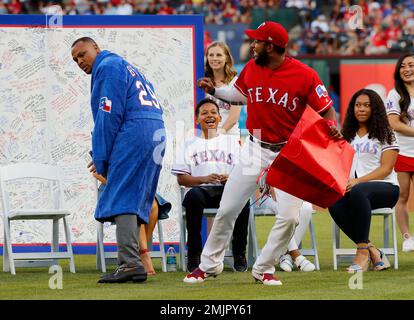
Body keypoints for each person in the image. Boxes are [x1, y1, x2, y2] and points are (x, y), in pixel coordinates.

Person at [184, 21, 340, 285]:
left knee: (290, 216)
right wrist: (214, 91)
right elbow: (236, 95)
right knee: (228, 208)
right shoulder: (252, 69)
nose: (252, 45)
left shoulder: (304, 74)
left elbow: (326, 110)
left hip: (290, 152)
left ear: (270, 46)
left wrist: (332, 127)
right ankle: (208, 265)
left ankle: (264, 267)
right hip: (255, 148)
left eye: (257, 41)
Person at [71, 37, 166, 283]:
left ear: (96, 49)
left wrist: (101, 156)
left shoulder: (107, 67)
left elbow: (107, 114)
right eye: (75, 59)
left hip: (135, 130)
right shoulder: (128, 67)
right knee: (137, 196)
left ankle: (130, 263)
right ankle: (137, 260)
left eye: (82, 54)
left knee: (122, 195)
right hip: (156, 130)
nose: (80, 61)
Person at [172, 98, 250, 273]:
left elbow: (242, 174)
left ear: (219, 118)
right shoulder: (187, 143)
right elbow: (182, 179)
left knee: (242, 198)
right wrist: (204, 178)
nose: (210, 116)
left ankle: (239, 254)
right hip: (200, 191)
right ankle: (194, 255)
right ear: (197, 119)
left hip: (226, 190)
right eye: (204, 113)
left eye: (214, 112)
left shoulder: (232, 143)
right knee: (192, 197)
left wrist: (229, 178)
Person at [329, 88, 400, 272]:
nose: (361, 109)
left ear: (374, 109)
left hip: (386, 188)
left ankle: (361, 253)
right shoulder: (347, 136)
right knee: (334, 202)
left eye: (366, 105)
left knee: (359, 191)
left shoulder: (387, 133)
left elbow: (386, 169)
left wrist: (358, 181)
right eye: (358, 105)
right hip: (356, 191)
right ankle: (373, 250)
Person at [91, 168, 171, 276]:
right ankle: (143, 254)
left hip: (137, 187)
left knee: (153, 205)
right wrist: (122, 185)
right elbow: (96, 173)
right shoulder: (105, 151)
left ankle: (139, 252)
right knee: (137, 205)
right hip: (112, 188)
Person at [386, 53, 414, 252]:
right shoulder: (394, 94)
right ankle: (407, 238)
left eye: (411, 65)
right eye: (403, 65)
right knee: (402, 196)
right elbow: (393, 123)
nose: (407, 69)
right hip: (403, 151)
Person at [258, 192, 316, 272]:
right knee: (284, 208)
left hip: (291, 195)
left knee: (307, 207)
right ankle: (296, 255)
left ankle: (287, 257)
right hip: (269, 196)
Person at [204, 41, 243, 136]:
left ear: (226, 58)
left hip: (229, 137)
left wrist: (218, 134)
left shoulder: (236, 83)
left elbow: (234, 118)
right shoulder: (203, 82)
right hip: (206, 137)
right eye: (211, 55)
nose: (214, 58)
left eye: (219, 55)